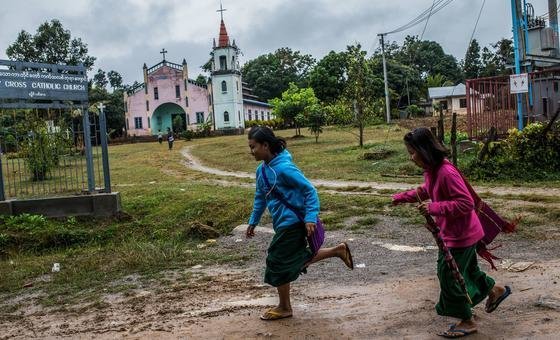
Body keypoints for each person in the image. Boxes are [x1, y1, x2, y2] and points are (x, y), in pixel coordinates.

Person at [391, 127, 511, 338]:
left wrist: (434, 208)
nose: (411, 157)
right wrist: (402, 197)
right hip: (458, 233)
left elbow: (465, 202)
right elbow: (427, 190)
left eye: (412, 152)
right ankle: (495, 291)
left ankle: (467, 320)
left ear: (424, 149)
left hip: (461, 236)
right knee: (469, 272)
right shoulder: (432, 171)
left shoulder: (446, 172)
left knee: (448, 276)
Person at [246, 126, 354, 321]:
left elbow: (309, 191)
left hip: (294, 223)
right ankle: (338, 250)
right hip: (281, 224)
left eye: (253, 147)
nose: (251, 151)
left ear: (265, 145)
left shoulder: (285, 169)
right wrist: (253, 221)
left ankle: (284, 307)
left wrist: (310, 217)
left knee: (277, 261)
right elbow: (260, 197)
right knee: (291, 259)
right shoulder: (261, 171)